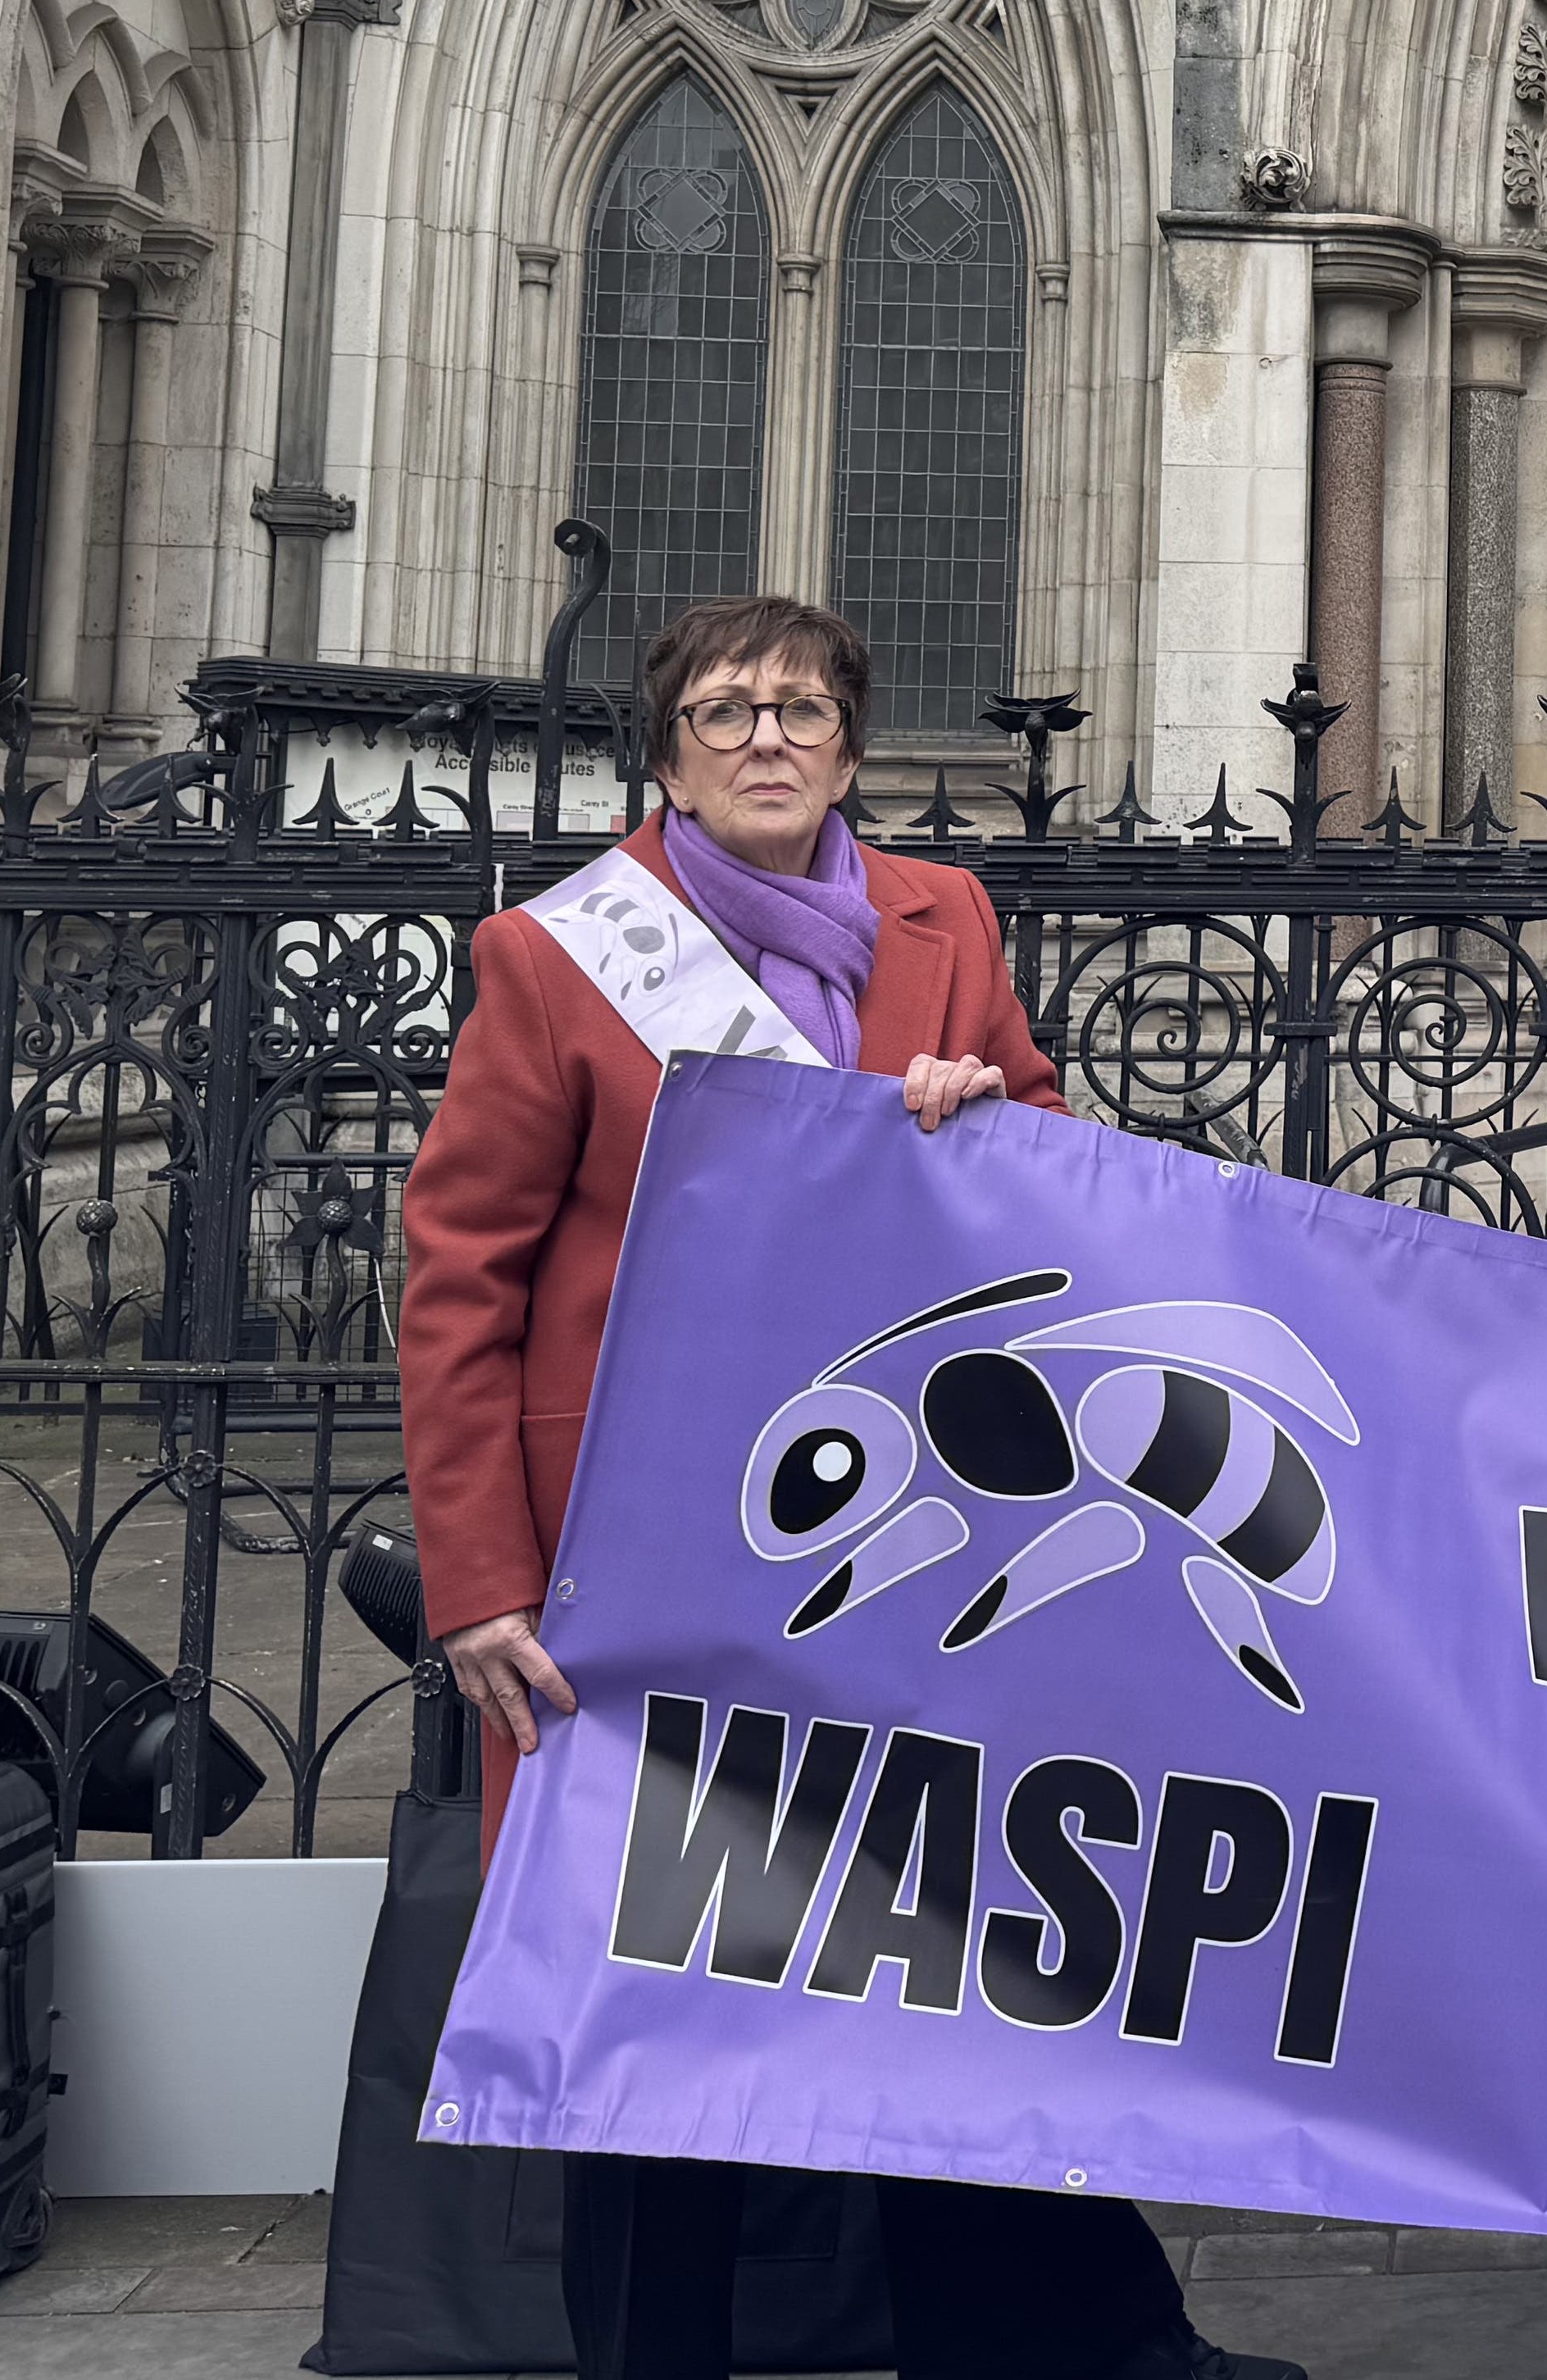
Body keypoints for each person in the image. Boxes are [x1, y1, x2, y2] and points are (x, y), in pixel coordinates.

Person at [399, 597, 1299, 2380]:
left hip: (904, 1546)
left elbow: (1049, 1160)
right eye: (725, 710)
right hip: (634, 1567)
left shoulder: (937, 916)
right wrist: (477, 1579)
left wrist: (994, 1115)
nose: (763, 738)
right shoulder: (556, 956)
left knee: (929, 1974)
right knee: (657, 2006)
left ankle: (1007, 2347)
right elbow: (460, 1275)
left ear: (852, 746)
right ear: (666, 751)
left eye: (800, 707)